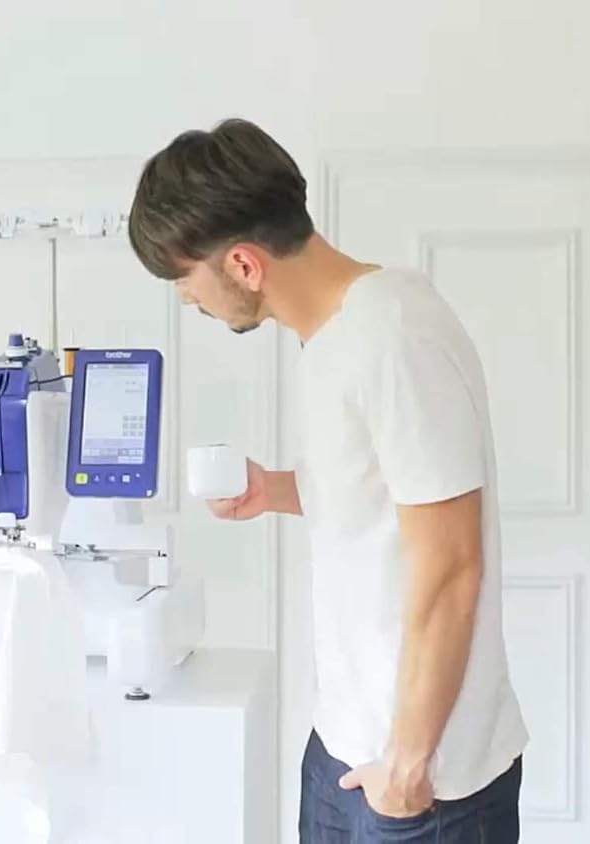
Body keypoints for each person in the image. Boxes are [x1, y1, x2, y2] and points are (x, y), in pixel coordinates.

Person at [127, 118, 528, 843]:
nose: (186, 298)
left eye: (184, 278)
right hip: (344, 746)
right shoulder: (336, 336)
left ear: (243, 264)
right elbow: (387, 495)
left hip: (424, 780)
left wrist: (407, 767)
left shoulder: (392, 336)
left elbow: (452, 565)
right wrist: (276, 489)